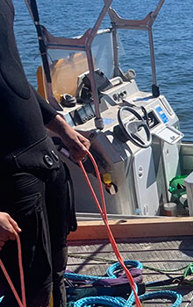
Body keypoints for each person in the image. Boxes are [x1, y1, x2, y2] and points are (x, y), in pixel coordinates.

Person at [2, 1, 90, 306]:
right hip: (9, 174)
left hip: (42, 154)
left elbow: (12, 79)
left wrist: (60, 126)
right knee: (29, 286)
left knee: (56, 271)